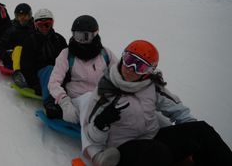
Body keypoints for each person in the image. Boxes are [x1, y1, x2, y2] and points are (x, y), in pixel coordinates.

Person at [83, 40, 232, 166]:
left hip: (153, 137)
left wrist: (190, 137)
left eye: (140, 67)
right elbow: (91, 137)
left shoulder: (151, 86)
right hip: (124, 149)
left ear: (149, 71)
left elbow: (178, 111)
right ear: (122, 58)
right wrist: (101, 124)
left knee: (202, 130)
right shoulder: (104, 91)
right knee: (158, 152)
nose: (131, 69)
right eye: (129, 61)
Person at [46, 15, 117, 122]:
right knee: (89, 99)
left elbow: (119, 76)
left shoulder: (105, 54)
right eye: (77, 36)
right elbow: (53, 82)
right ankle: (93, 128)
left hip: (101, 98)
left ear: (95, 34)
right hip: (75, 100)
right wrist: (64, 102)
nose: (80, 41)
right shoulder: (67, 54)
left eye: (85, 36)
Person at [13, 8, 67, 95]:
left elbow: (67, 60)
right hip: (39, 75)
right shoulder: (30, 40)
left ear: (52, 24)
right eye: (40, 25)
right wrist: (35, 84)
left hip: (58, 75)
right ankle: (50, 101)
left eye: (47, 24)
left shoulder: (59, 39)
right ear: (35, 25)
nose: (44, 28)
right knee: (49, 69)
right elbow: (26, 66)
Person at [0, 3, 34, 69]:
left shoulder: (35, 28)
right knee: (18, 50)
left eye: (25, 16)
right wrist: (7, 60)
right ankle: (18, 72)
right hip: (16, 58)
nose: (23, 19)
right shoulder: (11, 29)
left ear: (29, 16)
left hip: (32, 57)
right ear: (16, 17)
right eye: (20, 16)